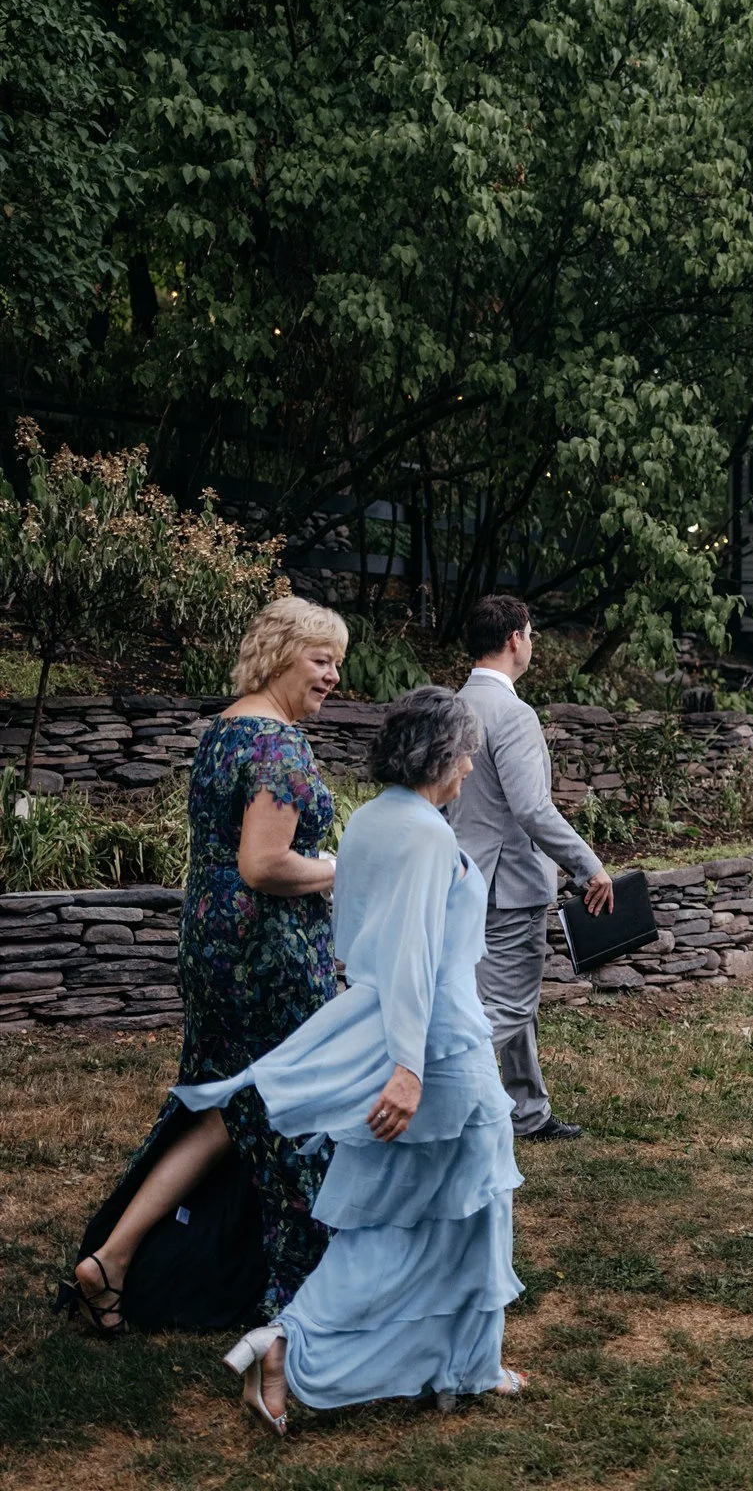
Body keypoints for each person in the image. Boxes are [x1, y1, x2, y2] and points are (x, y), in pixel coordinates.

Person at [178, 686, 526, 1432]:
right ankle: (290, 1341)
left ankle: (462, 1363)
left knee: (436, 1219)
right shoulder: (428, 835)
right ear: (439, 754)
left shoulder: (371, 820)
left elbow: (358, 941)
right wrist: (408, 1067)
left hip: (413, 1036)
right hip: (440, 1045)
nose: (469, 763)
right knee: (461, 1212)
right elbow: (411, 956)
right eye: (464, 750)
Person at [65, 597, 349, 1335]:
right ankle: (296, 1297)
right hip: (269, 958)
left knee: (226, 1105)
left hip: (214, 946)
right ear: (283, 653)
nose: (333, 677)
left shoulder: (226, 728)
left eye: (336, 662)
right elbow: (263, 864)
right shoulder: (279, 746)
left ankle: (118, 1258)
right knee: (291, 1107)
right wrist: (338, 868)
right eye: (321, 660)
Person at [445, 596, 613, 1142]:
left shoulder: (450, 707)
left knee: (496, 999)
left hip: (461, 877)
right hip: (509, 885)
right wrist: (589, 867)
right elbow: (532, 808)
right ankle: (426, 1093)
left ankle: (527, 1111)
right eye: (532, 634)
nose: (533, 643)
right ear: (515, 639)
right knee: (511, 1004)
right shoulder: (513, 714)